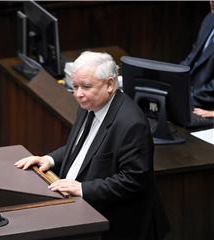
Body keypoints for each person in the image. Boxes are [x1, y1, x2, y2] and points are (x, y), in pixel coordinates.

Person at [15, 52, 170, 240]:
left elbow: (133, 179)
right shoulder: (88, 105)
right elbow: (82, 147)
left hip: (117, 226)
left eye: (86, 87)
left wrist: (82, 189)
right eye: (75, 86)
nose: (79, 94)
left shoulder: (131, 124)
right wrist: (49, 159)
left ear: (110, 84)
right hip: (78, 213)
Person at [180, 1, 214, 111]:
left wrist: (186, 99)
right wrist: (169, 78)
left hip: (206, 105)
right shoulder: (209, 19)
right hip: (190, 93)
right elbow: (192, 58)